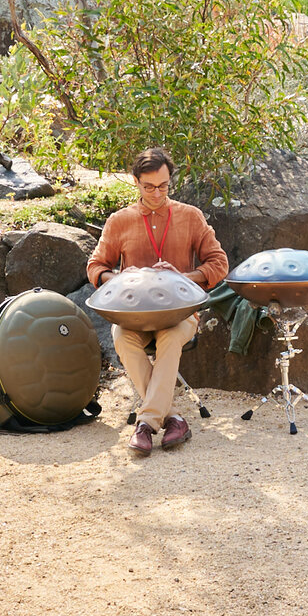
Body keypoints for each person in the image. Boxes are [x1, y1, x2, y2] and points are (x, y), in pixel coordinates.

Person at [84, 147, 231, 455]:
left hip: (179, 316)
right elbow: (95, 267)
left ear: (170, 181)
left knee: (169, 337)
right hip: (132, 318)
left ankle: (146, 425)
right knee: (121, 337)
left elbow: (219, 263)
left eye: (163, 186)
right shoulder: (119, 221)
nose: (156, 193)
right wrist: (127, 278)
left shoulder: (191, 216)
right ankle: (173, 417)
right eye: (149, 187)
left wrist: (180, 275)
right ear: (136, 183)